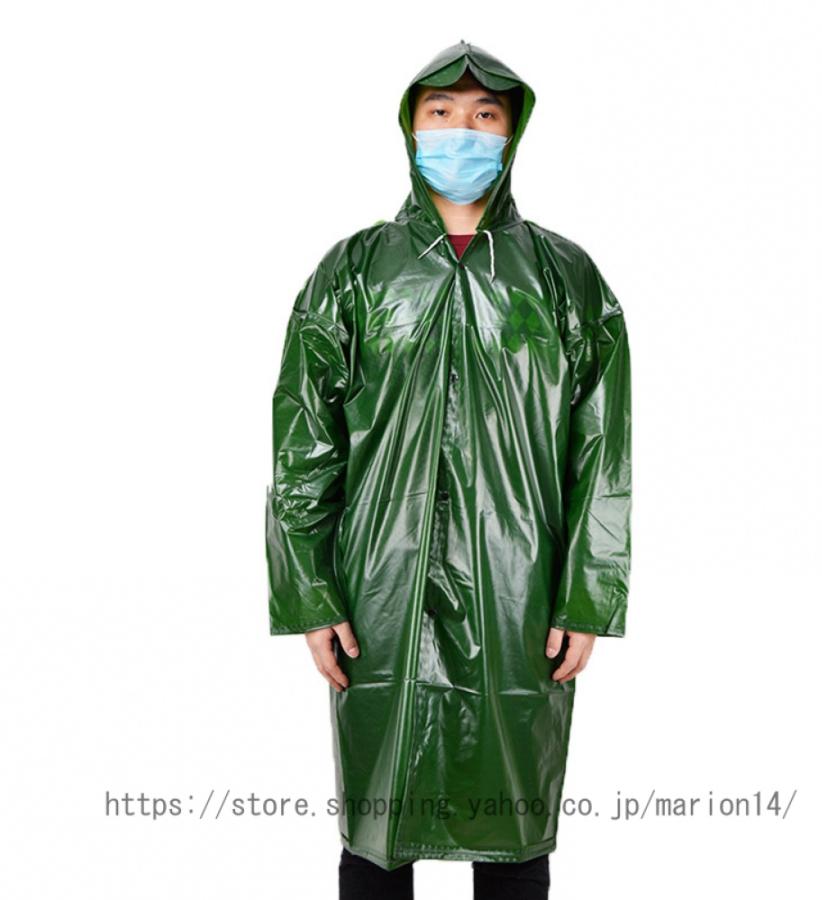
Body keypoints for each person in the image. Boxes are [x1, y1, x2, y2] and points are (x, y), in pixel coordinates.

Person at [266, 40, 632, 899]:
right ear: (411, 127)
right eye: (441, 112)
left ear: (512, 133)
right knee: (377, 830)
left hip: (520, 588)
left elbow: (602, 449)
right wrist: (311, 595)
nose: (460, 130)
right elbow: (303, 441)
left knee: (513, 831)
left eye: (483, 114)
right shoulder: (354, 271)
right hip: (380, 588)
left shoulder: (565, 277)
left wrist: (586, 596)